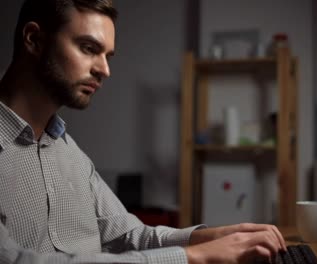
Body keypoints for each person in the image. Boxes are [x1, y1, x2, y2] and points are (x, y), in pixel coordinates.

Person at [0, 0, 286, 263]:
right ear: (34, 39)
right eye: (89, 48)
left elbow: (129, 235)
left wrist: (212, 237)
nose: (105, 69)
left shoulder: (69, 152)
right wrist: (195, 258)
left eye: (108, 55)